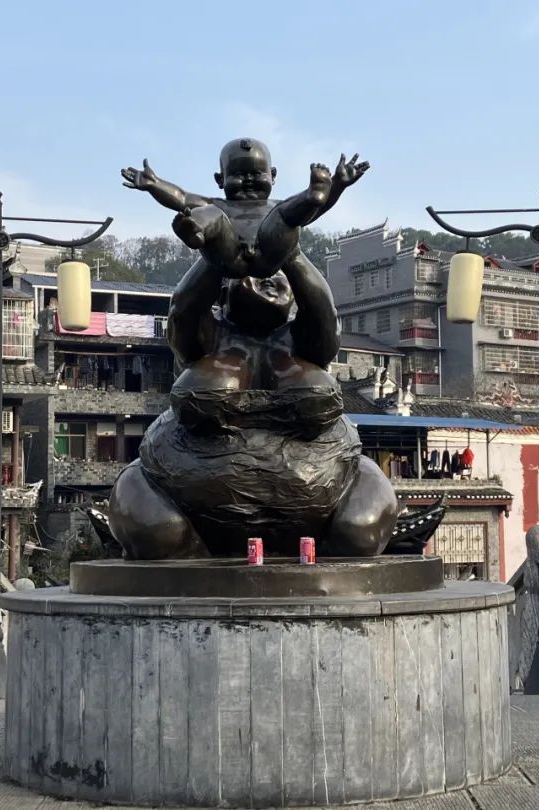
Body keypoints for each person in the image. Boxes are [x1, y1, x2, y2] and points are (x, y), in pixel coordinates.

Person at [108, 140, 396, 559]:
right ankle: (205, 234)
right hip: (186, 516)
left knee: (359, 532)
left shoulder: (302, 339)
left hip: (327, 509)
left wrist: (291, 251)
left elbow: (324, 309)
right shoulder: (210, 338)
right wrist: (213, 258)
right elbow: (182, 309)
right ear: (224, 293)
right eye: (248, 277)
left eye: (274, 277)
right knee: (159, 534)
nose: (263, 280)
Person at [121, 138, 368, 280]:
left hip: (270, 253)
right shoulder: (220, 205)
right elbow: (182, 197)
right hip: (230, 256)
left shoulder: (276, 207)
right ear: (220, 180)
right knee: (210, 213)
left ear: (273, 175)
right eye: (238, 175)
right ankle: (195, 230)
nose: (249, 180)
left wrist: (337, 186)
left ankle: (312, 196)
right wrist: (155, 184)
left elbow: (318, 211)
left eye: (257, 174)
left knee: (288, 215)